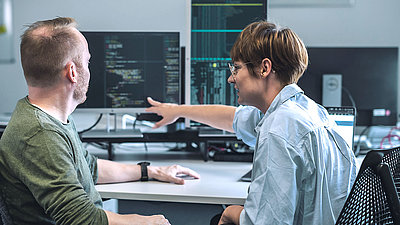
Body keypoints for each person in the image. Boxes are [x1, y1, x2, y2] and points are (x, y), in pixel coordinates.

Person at [146, 21, 357, 224]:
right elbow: (233, 118)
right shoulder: (307, 110)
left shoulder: (278, 129)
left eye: (236, 68)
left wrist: (230, 212)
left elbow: (265, 222)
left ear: (264, 69)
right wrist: (177, 111)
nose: (231, 78)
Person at [0, 17, 200, 225]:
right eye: (87, 61)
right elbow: (81, 220)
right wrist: (146, 222)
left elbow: (89, 167)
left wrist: (150, 171)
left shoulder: (49, 118)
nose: (89, 68)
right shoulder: (41, 135)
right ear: (73, 72)